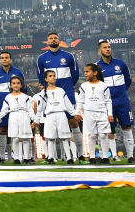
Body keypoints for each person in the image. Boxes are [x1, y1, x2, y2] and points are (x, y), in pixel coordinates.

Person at [37, 32, 82, 161]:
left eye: (55, 38)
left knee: (73, 122)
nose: (53, 40)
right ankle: (55, 156)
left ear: (59, 40)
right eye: (50, 38)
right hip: (50, 95)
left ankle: (80, 154)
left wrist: (66, 86)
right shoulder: (41, 58)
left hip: (66, 92)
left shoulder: (69, 56)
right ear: (47, 41)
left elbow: (75, 75)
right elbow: (41, 77)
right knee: (52, 127)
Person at [97, 39, 135, 163]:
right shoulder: (96, 67)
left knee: (127, 126)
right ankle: (111, 156)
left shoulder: (121, 64)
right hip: (107, 103)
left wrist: (121, 92)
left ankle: (130, 156)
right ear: (100, 51)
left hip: (123, 101)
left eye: (109, 47)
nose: (108, 49)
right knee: (109, 129)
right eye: (105, 47)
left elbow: (128, 80)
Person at [36, 69, 76, 164]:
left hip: (61, 114)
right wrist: (37, 120)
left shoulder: (61, 90)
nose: (53, 77)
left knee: (64, 138)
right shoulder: (43, 93)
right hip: (50, 116)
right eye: (50, 76)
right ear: (45, 79)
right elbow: (40, 108)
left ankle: (69, 158)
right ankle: (50, 157)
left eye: (54, 75)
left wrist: (74, 114)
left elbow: (68, 104)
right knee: (50, 138)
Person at [0, 51, 24, 163]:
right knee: (2, 129)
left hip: (16, 104)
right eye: (2, 58)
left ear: (10, 59)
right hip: (3, 104)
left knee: (16, 131)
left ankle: (14, 156)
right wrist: (2, 98)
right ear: (0, 60)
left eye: (6, 57)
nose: (4, 59)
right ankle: (1, 156)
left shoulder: (17, 72)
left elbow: (23, 88)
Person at [78, 63, 114, 164]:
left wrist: (110, 114)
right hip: (89, 112)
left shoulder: (103, 86)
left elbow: (108, 101)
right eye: (84, 72)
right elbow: (80, 101)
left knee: (103, 135)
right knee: (92, 135)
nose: (85, 74)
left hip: (102, 112)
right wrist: (77, 112)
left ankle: (105, 157)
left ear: (95, 72)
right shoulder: (83, 86)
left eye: (87, 71)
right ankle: (92, 157)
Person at [0, 75, 34, 164]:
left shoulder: (25, 97)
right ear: (10, 85)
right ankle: (16, 158)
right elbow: (4, 110)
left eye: (18, 83)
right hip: (13, 116)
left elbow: (30, 110)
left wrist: (34, 120)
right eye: (14, 83)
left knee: (26, 138)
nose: (16, 85)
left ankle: (26, 158)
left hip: (24, 116)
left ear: (21, 85)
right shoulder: (8, 97)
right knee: (15, 138)